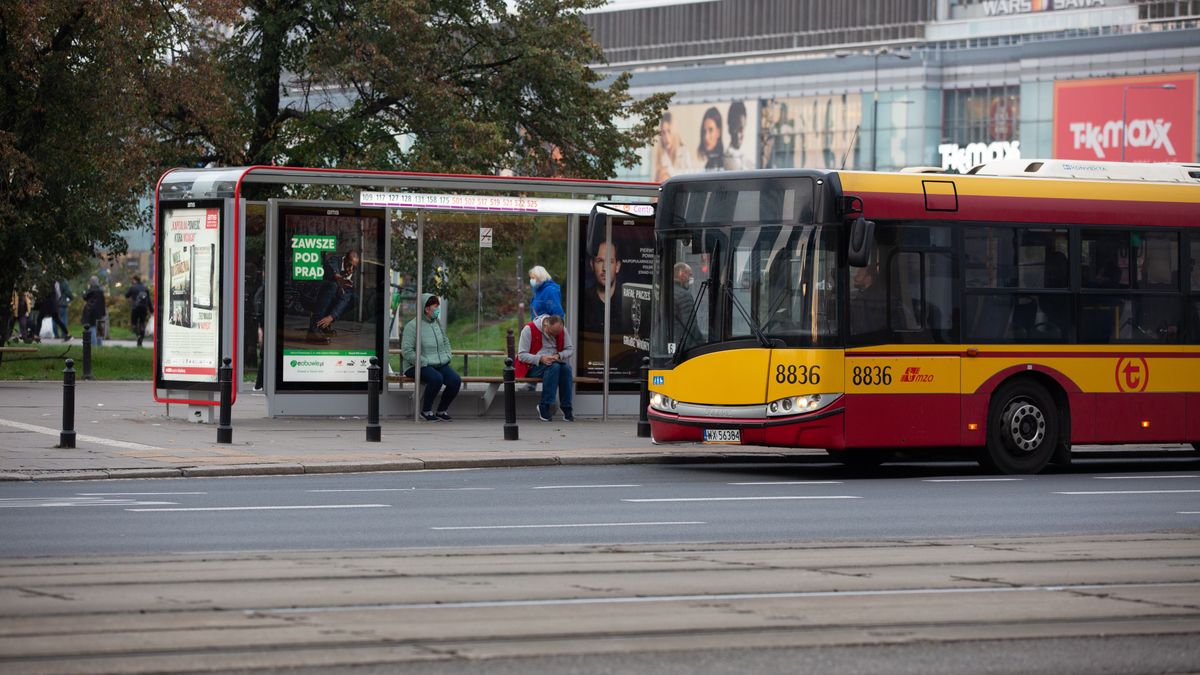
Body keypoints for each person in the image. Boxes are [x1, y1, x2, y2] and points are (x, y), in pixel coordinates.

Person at [401, 294, 460, 421]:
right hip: (416, 365)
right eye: (435, 307)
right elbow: (407, 351)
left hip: (438, 363)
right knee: (436, 378)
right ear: (426, 309)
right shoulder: (412, 326)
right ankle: (426, 411)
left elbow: (446, 341)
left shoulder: (436, 324)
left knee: (455, 380)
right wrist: (423, 361)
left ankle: (441, 410)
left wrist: (447, 355)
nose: (437, 310)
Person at [516, 314, 575, 422]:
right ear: (546, 324)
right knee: (555, 367)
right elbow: (521, 355)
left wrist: (559, 355)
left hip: (554, 362)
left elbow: (570, 349)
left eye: (558, 333)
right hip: (533, 366)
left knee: (566, 369)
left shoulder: (561, 330)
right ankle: (545, 406)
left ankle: (567, 407)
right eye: (552, 333)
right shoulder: (529, 329)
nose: (556, 336)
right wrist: (541, 358)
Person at [307, 249, 359, 344]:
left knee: (354, 299)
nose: (350, 269)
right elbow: (332, 267)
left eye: (354, 267)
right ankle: (313, 329)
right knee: (332, 285)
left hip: (326, 300)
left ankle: (323, 325)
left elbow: (345, 299)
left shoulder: (350, 278)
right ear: (344, 260)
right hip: (311, 296)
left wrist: (331, 317)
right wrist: (338, 277)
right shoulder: (335, 260)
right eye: (349, 265)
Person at [581, 240, 621, 334]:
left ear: (617, 266)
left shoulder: (627, 300)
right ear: (592, 265)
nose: (604, 268)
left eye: (610, 262)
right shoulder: (583, 299)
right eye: (599, 261)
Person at [653, 111, 692, 182]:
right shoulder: (660, 155)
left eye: (669, 131)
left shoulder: (684, 152)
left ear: (674, 132)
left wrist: (667, 172)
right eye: (663, 133)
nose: (666, 137)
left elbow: (688, 178)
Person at [849, 265, 886, 337]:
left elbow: (862, 326)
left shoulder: (871, 299)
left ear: (868, 279)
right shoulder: (862, 295)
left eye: (859, 275)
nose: (854, 278)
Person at [124, 275, 153, 347]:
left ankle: (138, 335)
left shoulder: (133, 287)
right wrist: (151, 310)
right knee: (142, 323)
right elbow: (148, 300)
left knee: (134, 324)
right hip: (144, 308)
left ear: (134, 280)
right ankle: (140, 341)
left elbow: (126, 295)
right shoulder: (145, 288)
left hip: (135, 308)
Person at [672, 262, 697, 342]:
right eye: (690, 275)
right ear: (681, 274)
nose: (691, 278)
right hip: (681, 343)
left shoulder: (666, 291)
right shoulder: (684, 295)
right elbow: (691, 326)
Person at [723, 101, 750, 171]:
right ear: (729, 129)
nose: (738, 136)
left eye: (741, 129)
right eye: (735, 129)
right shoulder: (726, 158)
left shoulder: (748, 159)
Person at [696, 106, 725, 171]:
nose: (706, 137)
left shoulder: (722, 164)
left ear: (718, 132)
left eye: (711, 130)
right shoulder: (706, 162)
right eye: (704, 131)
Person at [81, 276, 106, 346]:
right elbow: (103, 302)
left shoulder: (90, 290)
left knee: (92, 327)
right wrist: (103, 313)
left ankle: (94, 345)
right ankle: (100, 345)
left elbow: (84, 297)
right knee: (100, 328)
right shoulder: (101, 291)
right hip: (100, 311)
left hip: (90, 312)